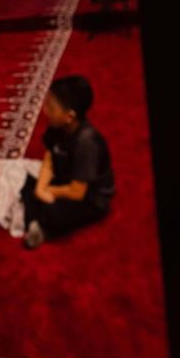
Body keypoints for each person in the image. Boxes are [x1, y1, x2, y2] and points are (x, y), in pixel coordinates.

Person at [21, 75, 115, 249]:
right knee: (27, 184)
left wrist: (46, 191)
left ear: (69, 116)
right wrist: (40, 188)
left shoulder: (87, 143)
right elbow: (49, 158)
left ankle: (40, 226)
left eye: (51, 107)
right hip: (66, 179)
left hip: (89, 196)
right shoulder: (57, 126)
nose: (45, 110)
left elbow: (77, 192)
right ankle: (35, 223)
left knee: (54, 211)